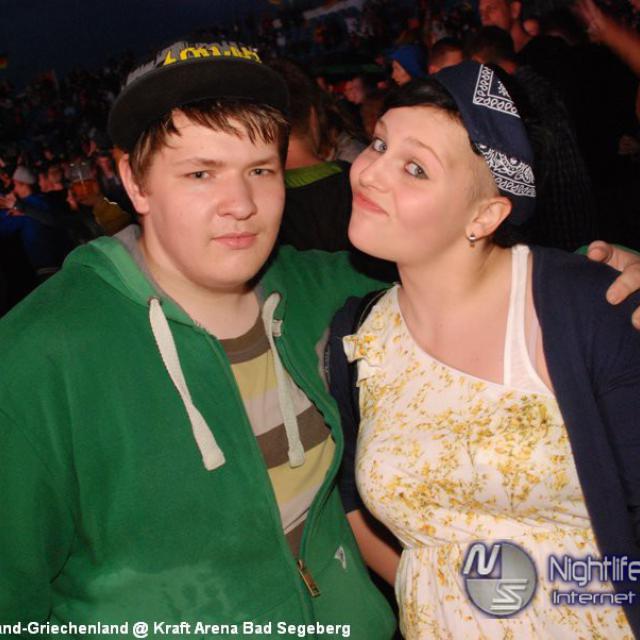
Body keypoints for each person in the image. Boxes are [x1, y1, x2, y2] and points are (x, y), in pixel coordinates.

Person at [0, 39, 396, 638]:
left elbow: (463, 280)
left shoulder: (319, 291)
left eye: (259, 170)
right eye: (200, 173)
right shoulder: (40, 355)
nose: (240, 205)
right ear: (134, 183)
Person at [330, 62, 640, 638]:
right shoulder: (361, 335)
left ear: (486, 214)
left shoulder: (584, 308)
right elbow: (350, 496)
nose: (369, 174)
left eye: (415, 168)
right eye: (379, 143)